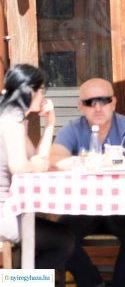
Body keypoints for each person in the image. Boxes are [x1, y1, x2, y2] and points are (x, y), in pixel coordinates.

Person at [50, 78, 125, 287]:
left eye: (104, 100)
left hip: (122, 207)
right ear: (81, 106)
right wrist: (84, 162)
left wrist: (111, 161)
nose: (98, 107)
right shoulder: (73, 128)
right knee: (59, 234)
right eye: (90, 102)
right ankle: (92, 283)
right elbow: (53, 159)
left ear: (114, 102)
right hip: (82, 207)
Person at [0, 65, 75, 280]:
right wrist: (34, 165)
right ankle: (18, 284)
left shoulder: (13, 117)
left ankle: (18, 282)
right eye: (42, 90)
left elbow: (38, 159)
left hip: (10, 209)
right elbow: (19, 167)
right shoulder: (11, 121)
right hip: (3, 214)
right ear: (29, 91)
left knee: (59, 239)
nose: (43, 95)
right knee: (64, 242)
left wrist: (50, 123)